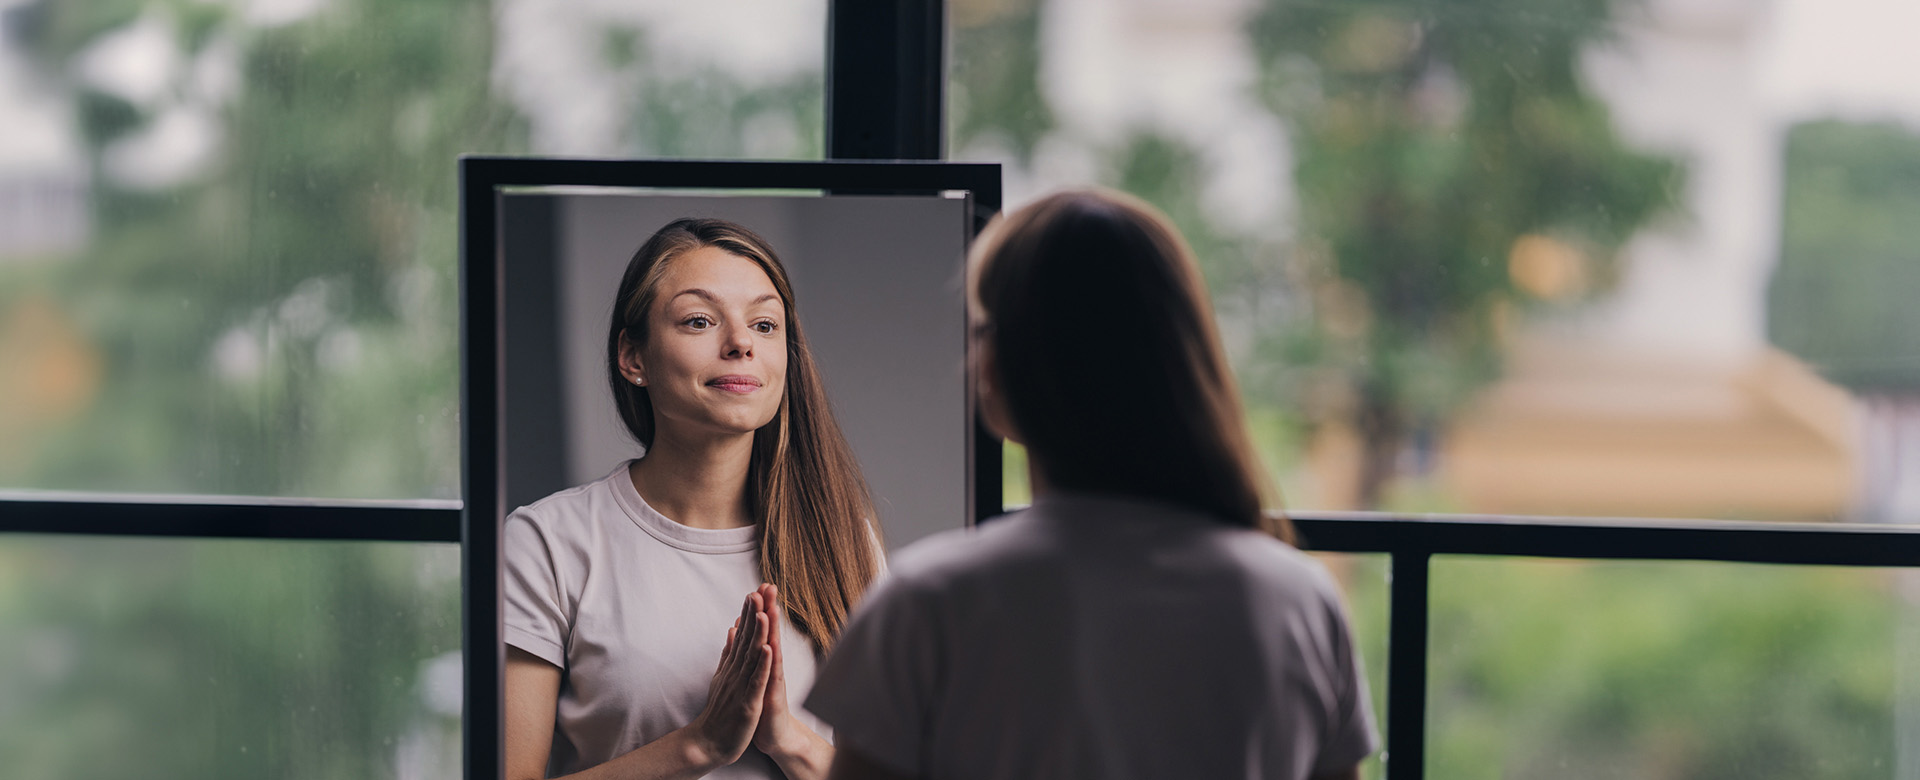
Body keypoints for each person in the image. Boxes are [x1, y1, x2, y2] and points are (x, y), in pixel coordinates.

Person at [804, 189, 1379, 780]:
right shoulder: (1301, 601)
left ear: (998, 369)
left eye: (980, 329)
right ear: (1184, 357)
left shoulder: (928, 604)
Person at [504, 218, 884, 780]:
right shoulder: (546, 543)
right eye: (700, 320)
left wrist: (786, 738)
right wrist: (700, 743)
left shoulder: (845, 537)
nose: (741, 343)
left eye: (764, 324)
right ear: (633, 358)